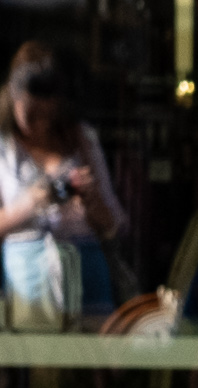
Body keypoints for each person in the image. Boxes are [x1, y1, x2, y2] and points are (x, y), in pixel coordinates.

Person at [0, 42, 124, 326]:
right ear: (13, 97)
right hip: (29, 283)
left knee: (95, 364)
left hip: (86, 272)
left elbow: (112, 226)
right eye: (32, 115)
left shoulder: (82, 138)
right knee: (43, 365)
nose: (41, 124)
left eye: (48, 115)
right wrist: (30, 204)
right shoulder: (4, 147)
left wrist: (92, 204)